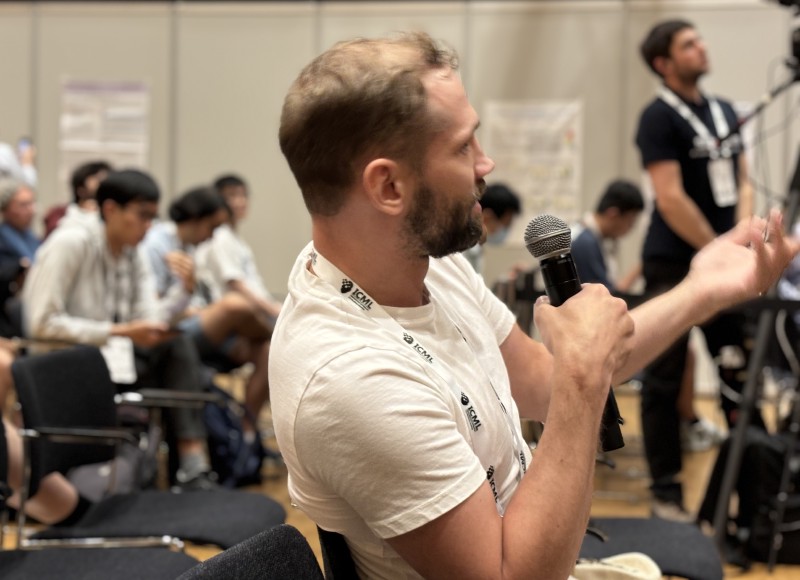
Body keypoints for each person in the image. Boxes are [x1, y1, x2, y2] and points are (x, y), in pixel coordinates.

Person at [270, 31, 798, 579]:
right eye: (462, 147)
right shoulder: (348, 376)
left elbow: (543, 380)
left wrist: (702, 289)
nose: (486, 164)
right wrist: (583, 377)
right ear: (388, 188)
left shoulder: (420, 261)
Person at [21, 169, 217, 490]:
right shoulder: (70, 243)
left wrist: (184, 290)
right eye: (142, 215)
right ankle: (185, 465)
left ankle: (190, 464)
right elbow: (40, 325)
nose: (148, 226)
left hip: (111, 358)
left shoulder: (132, 250)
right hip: (64, 364)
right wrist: (119, 332)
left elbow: (150, 318)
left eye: (153, 216)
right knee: (178, 357)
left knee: (177, 345)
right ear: (110, 209)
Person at [635, 19, 757, 522]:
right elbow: (670, 196)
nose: (701, 47)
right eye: (688, 44)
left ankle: (750, 485)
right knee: (664, 377)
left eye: (700, 39)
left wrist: (744, 237)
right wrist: (719, 250)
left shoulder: (726, 109)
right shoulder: (657, 117)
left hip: (729, 260)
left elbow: (745, 180)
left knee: (740, 370)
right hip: (674, 261)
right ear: (664, 63)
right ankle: (667, 491)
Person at [142, 185, 274, 440]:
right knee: (234, 305)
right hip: (169, 331)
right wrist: (188, 305)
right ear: (194, 218)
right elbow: (151, 310)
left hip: (197, 324)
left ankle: (244, 435)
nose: (211, 237)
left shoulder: (189, 247)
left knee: (268, 351)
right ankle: (284, 332)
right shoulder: (156, 244)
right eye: (211, 228)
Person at [570, 179, 644, 292]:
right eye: (631, 221)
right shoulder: (585, 243)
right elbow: (604, 297)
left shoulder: (586, 235)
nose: (631, 228)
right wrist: (642, 265)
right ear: (613, 215)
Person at [462, 182, 521, 274]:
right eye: (506, 223)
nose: (506, 230)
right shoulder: (465, 252)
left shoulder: (476, 252)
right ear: (487, 218)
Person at [43, 160, 112, 237]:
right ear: (81, 189)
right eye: (97, 179)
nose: (105, 183)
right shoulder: (60, 214)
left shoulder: (112, 215)